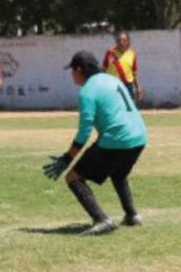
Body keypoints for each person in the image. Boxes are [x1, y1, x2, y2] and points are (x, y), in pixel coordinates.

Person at [43, 51, 147, 235]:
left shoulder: (87, 91)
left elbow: (84, 132)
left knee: (73, 177)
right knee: (119, 173)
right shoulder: (112, 80)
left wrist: (66, 159)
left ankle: (101, 219)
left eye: (72, 70)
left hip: (118, 139)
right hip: (139, 137)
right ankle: (132, 215)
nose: (72, 75)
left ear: (80, 69)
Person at [102, 30, 144, 102]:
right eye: (119, 40)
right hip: (112, 85)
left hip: (128, 85)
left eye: (124, 40)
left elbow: (133, 73)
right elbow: (104, 69)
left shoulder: (132, 53)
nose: (121, 42)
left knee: (129, 108)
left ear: (128, 41)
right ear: (116, 41)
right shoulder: (110, 52)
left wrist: (137, 87)